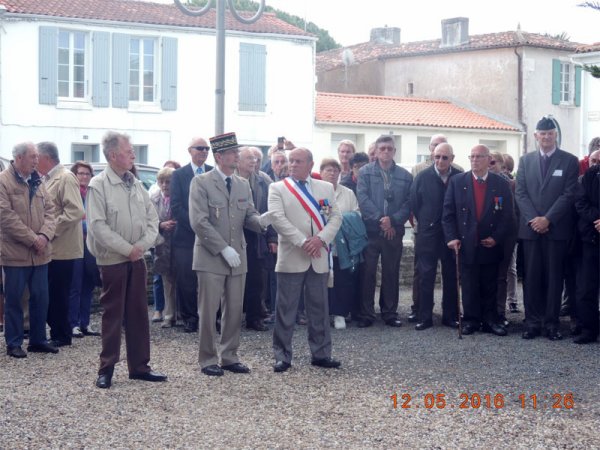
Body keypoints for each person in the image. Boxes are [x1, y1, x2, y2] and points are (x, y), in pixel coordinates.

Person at [86, 131, 166, 388]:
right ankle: (106, 368)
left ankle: (140, 366)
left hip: (137, 258)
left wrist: (141, 246)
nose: (133, 154)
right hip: (112, 260)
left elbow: (152, 219)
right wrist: (127, 249)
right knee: (112, 314)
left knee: (139, 313)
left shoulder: (137, 183)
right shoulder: (99, 185)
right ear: (113, 155)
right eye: (129, 150)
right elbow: (98, 226)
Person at [189, 133, 265, 377]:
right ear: (219, 156)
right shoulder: (201, 182)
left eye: (237, 152)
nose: (237, 157)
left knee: (234, 309)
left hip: (237, 256)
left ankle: (230, 356)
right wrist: (222, 247)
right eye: (233, 153)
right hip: (212, 255)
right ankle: (208, 358)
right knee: (209, 311)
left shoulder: (242, 183)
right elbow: (199, 222)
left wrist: (262, 221)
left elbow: (248, 215)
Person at [268, 147, 343, 372]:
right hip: (292, 256)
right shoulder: (278, 188)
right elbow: (277, 219)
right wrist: (303, 241)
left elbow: (335, 216)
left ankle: (321, 353)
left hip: (318, 256)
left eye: (298, 161)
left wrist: (320, 239)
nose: (292, 165)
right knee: (286, 309)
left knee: (319, 308)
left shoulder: (325, 187)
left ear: (310, 164)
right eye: (291, 161)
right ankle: (282, 355)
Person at [515, 117, 579, 341]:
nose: (546, 137)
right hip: (531, 230)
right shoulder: (525, 161)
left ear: (556, 135)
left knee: (554, 278)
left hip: (556, 230)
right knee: (531, 277)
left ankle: (552, 324)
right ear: (536, 136)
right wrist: (534, 219)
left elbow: (569, 194)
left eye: (550, 133)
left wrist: (548, 219)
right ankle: (532, 322)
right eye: (542, 133)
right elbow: (520, 193)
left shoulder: (569, 161)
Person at [443, 145, 514, 336]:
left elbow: (507, 215)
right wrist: (452, 238)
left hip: (490, 243)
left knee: (490, 283)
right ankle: (472, 320)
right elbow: (448, 214)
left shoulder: (500, 184)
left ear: (488, 159)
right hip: (466, 243)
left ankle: (490, 320)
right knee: (468, 284)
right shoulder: (458, 182)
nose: (474, 160)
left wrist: (496, 237)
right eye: (472, 156)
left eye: (479, 157)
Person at [0, 142, 57, 358]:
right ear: (19, 158)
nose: (37, 160)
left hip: (40, 254)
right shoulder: (3, 182)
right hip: (15, 254)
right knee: (13, 299)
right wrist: (33, 239)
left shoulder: (39, 181)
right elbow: (5, 217)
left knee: (41, 297)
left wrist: (44, 236)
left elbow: (51, 211)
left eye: (37, 156)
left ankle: (38, 340)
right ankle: (13, 343)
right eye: (33, 156)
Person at [356, 135, 412, 328]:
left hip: (394, 232)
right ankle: (366, 313)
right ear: (376, 151)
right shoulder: (365, 172)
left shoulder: (406, 176)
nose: (386, 152)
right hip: (371, 231)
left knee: (391, 272)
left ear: (394, 151)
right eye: (382, 149)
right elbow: (362, 199)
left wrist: (393, 221)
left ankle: (389, 312)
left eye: (389, 148)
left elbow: (408, 203)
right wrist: (382, 219)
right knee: (368, 272)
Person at [37, 142, 85, 347]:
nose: (34, 161)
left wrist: (49, 232)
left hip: (62, 247)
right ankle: (57, 331)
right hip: (52, 249)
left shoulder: (65, 177)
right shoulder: (47, 178)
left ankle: (62, 335)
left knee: (59, 293)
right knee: (51, 292)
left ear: (46, 158)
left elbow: (75, 211)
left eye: (36, 157)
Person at [410, 143, 461, 330]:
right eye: (437, 157)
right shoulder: (422, 177)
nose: (440, 161)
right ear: (432, 157)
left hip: (451, 235)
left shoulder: (458, 177)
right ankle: (424, 317)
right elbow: (414, 203)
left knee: (451, 276)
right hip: (428, 234)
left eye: (444, 157)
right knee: (426, 276)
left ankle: (450, 316)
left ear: (452, 159)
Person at [170, 137, 213, 333]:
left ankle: (212, 317)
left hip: (211, 237)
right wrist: (197, 225)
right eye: (200, 148)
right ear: (190, 150)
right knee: (187, 280)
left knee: (211, 279)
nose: (204, 151)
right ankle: (190, 318)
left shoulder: (214, 172)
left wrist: (208, 229)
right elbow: (176, 207)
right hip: (186, 237)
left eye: (206, 148)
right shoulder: (179, 175)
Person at [236, 146, 276, 332]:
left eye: (255, 158)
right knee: (232, 278)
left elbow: (272, 211)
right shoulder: (231, 179)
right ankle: (230, 318)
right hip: (234, 234)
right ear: (237, 161)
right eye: (248, 158)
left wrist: (272, 238)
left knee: (256, 279)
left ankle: (254, 318)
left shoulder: (264, 180)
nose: (253, 162)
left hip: (257, 234)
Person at [319, 158, 362, 330]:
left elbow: (356, 213)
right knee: (322, 279)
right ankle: (322, 313)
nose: (332, 173)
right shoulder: (316, 191)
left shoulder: (348, 193)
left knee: (343, 279)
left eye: (335, 170)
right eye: (328, 170)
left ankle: (340, 313)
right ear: (321, 173)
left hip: (343, 245)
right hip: (323, 243)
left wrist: (341, 222)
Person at [68, 161, 101, 338]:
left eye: (87, 174)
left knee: (88, 284)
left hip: (91, 245)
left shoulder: (93, 194)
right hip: (75, 245)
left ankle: (84, 323)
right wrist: (87, 226)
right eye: (81, 173)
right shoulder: (72, 193)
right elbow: (74, 219)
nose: (84, 177)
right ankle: (72, 323)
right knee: (75, 285)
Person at [149, 160, 181, 323]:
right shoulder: (153, 198)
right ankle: (168, 315)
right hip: (161, 242)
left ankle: (181, 313)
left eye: (168, 182)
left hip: (178, 241)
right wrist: (161, 224)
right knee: (165, 279)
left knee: (181, 278)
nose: (164, 185)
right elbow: (147, 220)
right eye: (161, 181)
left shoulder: (180, 196)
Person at [573, 163, 600, 344]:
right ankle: (589, 329)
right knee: (586, 288)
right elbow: (581, 203)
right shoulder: (591, 174)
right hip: (591, 239)